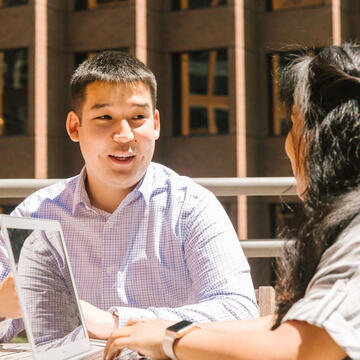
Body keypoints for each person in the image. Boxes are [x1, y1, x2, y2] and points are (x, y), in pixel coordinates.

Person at [102, 44, 360, 360]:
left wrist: (171, 341)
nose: (287, 143)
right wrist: (164, 330)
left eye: (293, 123)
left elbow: (301, 348)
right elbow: (282, 325)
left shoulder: (355, 237)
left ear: (327, 138)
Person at [0, 51, 258, 342]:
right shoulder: (35, 215)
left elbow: (239, 311)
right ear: (75, 127)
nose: (124, 135)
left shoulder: (192, 206)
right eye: (104, 117)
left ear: (156, 124)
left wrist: (115, 324)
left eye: (137, 117)